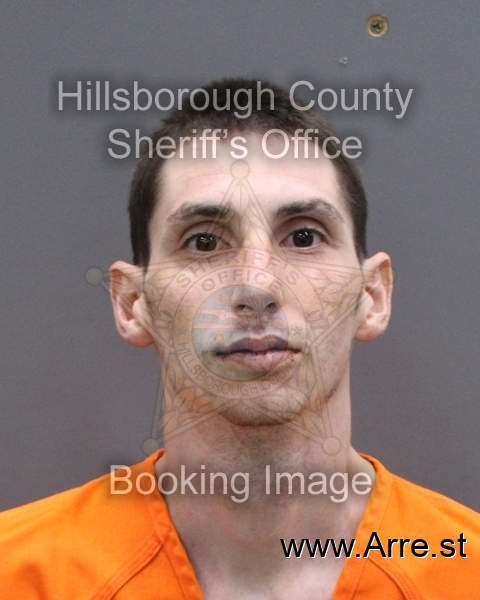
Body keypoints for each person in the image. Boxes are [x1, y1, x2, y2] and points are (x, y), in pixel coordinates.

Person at [1, 78, 479, 599]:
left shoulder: (465, 570)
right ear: (133, 303)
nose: (257, 286)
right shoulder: (17, 572)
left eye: (304, 237)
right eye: (204, 242)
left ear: (373, 295)